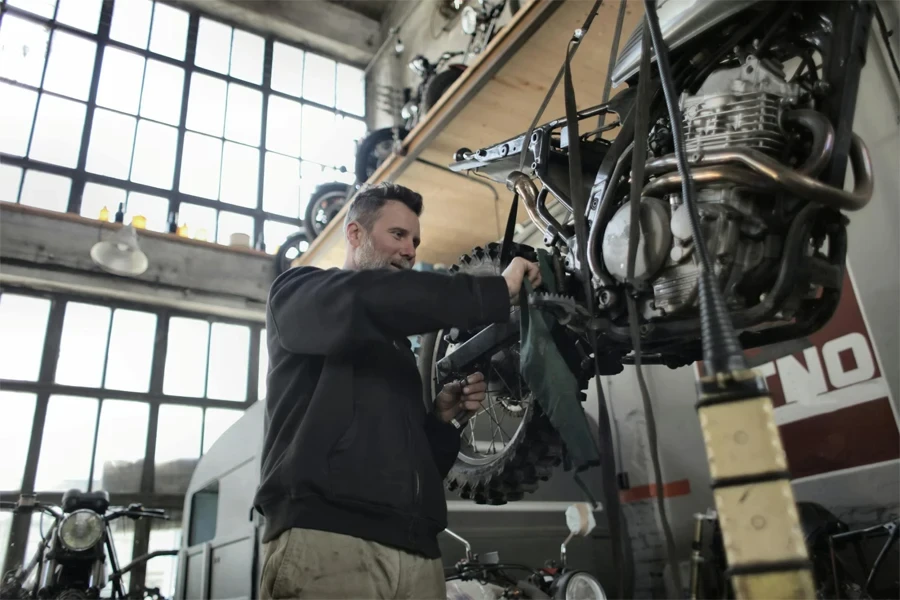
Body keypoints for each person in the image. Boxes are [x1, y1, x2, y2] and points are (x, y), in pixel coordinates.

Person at [253, 182, 541, 599]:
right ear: (355, 234)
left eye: (416, 240)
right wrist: (494, 291)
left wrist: (442, 423)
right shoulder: (300, 295)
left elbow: (418, 470)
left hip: (417, 550)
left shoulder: (400, 355)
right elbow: (369, 300)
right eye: (398, 235)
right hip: (328, 540)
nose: (410, 250)